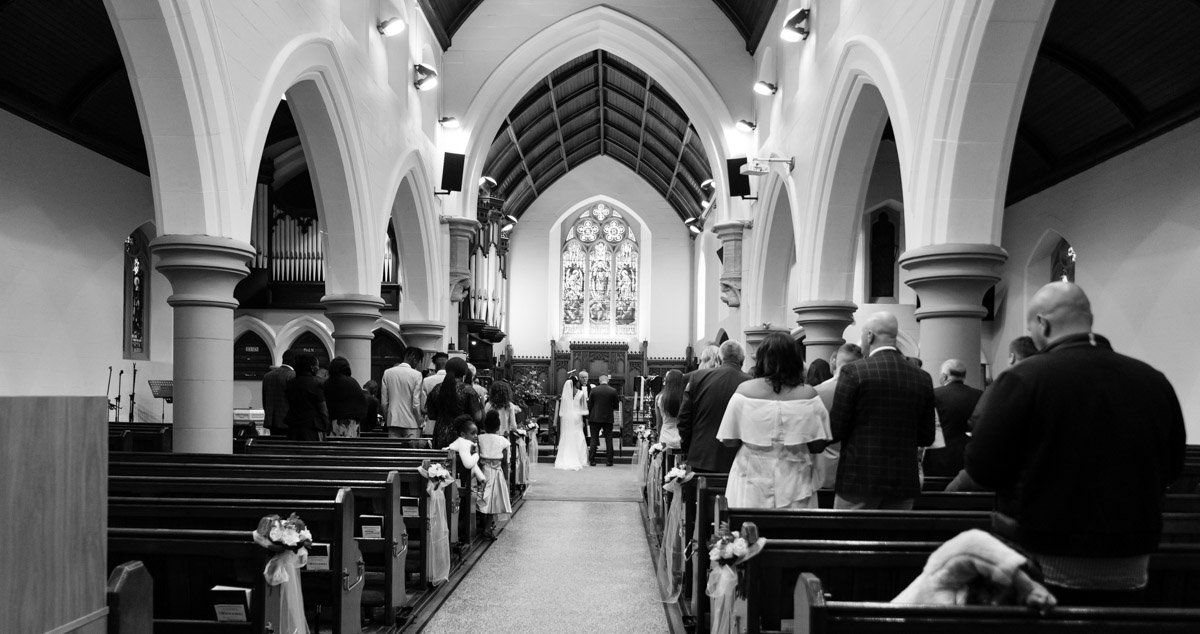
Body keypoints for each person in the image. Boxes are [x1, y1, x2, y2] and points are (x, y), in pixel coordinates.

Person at [965, 282, 1186, 605]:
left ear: (1042, 323)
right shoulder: (1153, 380)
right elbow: (1172, 467)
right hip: (1132, 559)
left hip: (1045, 556)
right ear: (1089, 318)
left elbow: (982, 467)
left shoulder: (1024, 378)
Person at [829, 312, 935, 510]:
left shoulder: (854, 372)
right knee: (893, 538)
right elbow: (927, 437)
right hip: (902, 481)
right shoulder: (922, 377)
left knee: (850, 537)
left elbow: (837, 429)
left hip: (858, 481)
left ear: (869, 336)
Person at [717, 332, 831, 508]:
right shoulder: (809, 395)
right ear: (795, 359)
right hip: (795, 480)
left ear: (762, 359)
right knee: (792, 532)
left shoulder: (744, 391)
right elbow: (818, 445)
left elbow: (729, 440)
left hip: (750, 477)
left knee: (747, 531)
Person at [678, 340, 752, 473]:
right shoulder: (750, 383)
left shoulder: (697, 378)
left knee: (699, 493)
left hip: (701, 456)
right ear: (742, 360)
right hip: (738, 460)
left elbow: (684, 419)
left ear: (719, 358)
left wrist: (689, 448)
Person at [920, 359, 983, 477]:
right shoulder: (979, 395)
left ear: (944, 376)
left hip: (937, 456)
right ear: (964, 376)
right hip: (968, 455)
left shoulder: (934, 394)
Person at [813, 343, 863, 487]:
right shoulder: (866, 391)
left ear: (833, 360)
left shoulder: (816, 392)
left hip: (824, 469)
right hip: (857, 468)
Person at [428, 358, 483, 449]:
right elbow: (478, 417)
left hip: (440, 433)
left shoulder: (437, 389)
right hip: (462, 434)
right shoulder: (468, 390)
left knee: (440, 460)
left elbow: (431, 415)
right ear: (464, 372)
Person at [475, 410, 513, 539]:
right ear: (498, 427)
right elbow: (505, 461)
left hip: (482, 471)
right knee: (493, 501)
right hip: (496, 472)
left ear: (485, 426)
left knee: (482, 497)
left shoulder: (479, 438)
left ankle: (483, 525)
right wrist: (506, 478)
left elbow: (476, 455)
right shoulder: (502, 440)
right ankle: (487, 527)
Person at [281, 353, 329, 441]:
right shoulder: (317, 384)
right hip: (312, 428)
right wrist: (327, 426)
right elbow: (323, 410)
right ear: (311, 367)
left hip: (293, 428)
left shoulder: (290, 383)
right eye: (316, 366)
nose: (318, 368)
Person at [381, 346, 425, 439]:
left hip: (393, 422)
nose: (417, 364)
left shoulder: (387, 373)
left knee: (394, 452)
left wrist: (388, 419)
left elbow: (384, 402)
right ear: (413, 357)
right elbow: (415, 403)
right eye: (417, 360)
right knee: (411, 452)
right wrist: (419, 421)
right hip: (411, 423)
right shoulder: (416, 375)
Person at [553, 373, 589, 471]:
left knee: (567, 435)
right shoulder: (581, 393)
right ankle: (580, 459)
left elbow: (562, 411)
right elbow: (584, 410)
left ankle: (565, 457)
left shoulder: (564, 396)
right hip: (577, 417)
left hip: (567, 418)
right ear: (576, 383)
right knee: (579, 435)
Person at [323, 356, 366, 437]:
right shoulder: (353, 382)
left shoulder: (328, 383)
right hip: (352, 423)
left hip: (334, 422)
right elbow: (362, 403)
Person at [587, 374, 622, 466]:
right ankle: (609, 461)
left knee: (594, 439)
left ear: (599, 381)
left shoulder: (594, 390)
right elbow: (616, 406)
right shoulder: (613, 391)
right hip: (608, 418)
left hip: (595, 418)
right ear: (607, 381)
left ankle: (592, 460)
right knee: (608, 439)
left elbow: (590, 405)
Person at [262, 349, 296, 435]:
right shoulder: (293, 376)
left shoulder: (267, 376)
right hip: (287, 422)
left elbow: (264, 400)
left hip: (271, 420)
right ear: (294, 361)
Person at [655, 369, 685, 449]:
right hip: (681, 437)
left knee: (665, 461)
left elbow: (659, 422)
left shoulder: (659, 398)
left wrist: (659, 435)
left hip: (665, 436)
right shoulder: (685, 398)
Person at [421, 352, 449, 432]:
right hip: (448, 424)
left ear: (435, 365)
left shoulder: (427, 381)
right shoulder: (454, 380)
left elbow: (423, 408)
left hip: (431, 424)